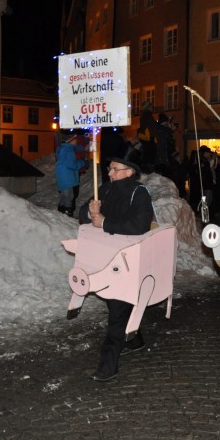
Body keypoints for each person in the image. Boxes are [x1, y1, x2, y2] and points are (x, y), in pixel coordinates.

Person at [78, 145, 155, 382]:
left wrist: (104, 223)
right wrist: (89, 212)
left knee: (118, 308)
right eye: (109, 168)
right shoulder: (105, 189)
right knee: (116, 304)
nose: (110, 173)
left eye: (115, 169)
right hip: (106, 256)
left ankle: (108, 365)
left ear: (130, 171)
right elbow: (82, 214)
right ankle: (135, 339)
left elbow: (139, 226)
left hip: (128, 261)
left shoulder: (139, 193)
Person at [55, 134, 85, 216]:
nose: (76, 140)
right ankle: (68, 212)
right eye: (75, 139)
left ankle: (61, 211)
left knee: (64, 195)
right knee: (69, 196)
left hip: (64, 175)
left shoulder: (65, 148)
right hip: (67, 176)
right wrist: (82, 162)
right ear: (70, 140)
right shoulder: (67, 150)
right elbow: (72, 165)